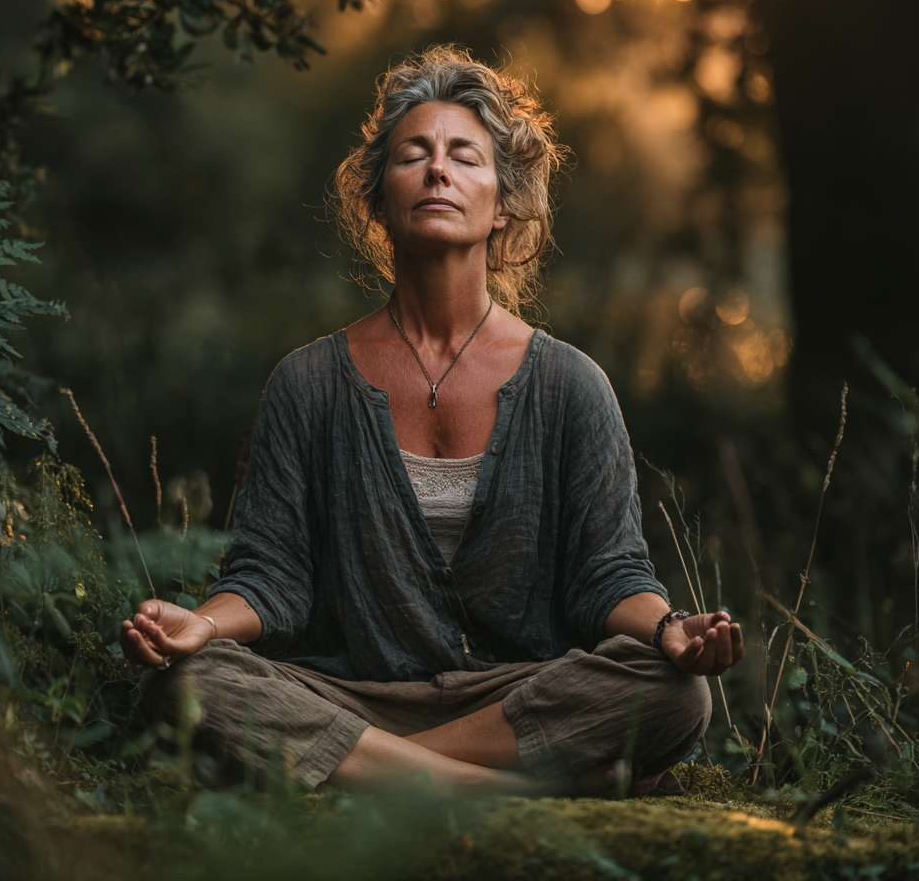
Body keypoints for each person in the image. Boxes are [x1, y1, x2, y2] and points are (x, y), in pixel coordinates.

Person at [121, 46, 743, 798]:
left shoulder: (572, 385)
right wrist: (202, 627)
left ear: (504, 203)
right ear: (378, 198)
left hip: (515, 700)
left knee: (676, 693)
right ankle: (496, 790)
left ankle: (369, 772)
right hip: (353, 695)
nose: (438, 171)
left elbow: (606, 574)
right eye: (414, 155)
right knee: (186, 683)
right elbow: (271, 577)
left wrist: (668, 629)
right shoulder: (309, 383)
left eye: (465, 157)